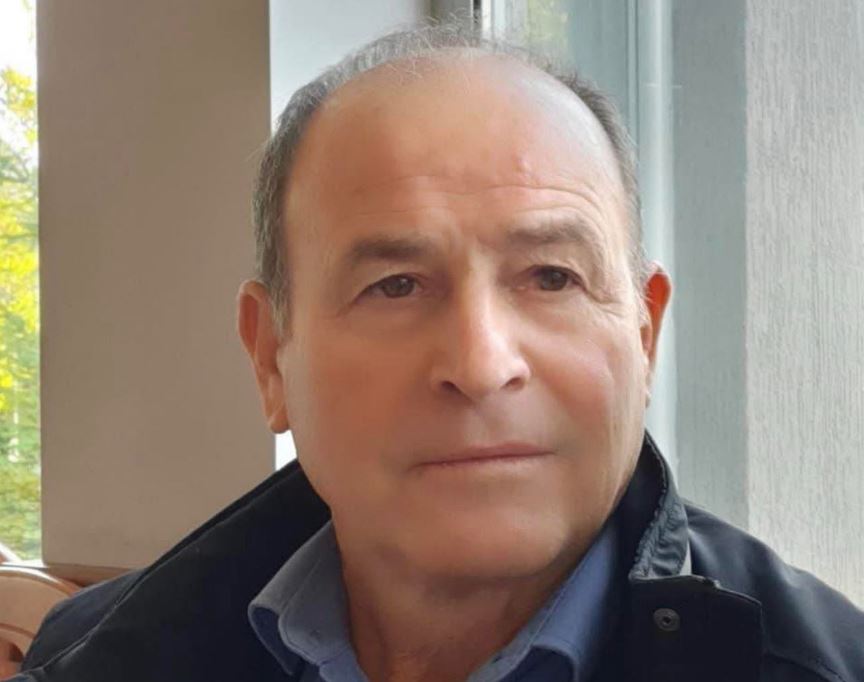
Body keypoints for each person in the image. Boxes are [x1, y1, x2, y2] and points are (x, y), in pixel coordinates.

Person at [13, 25, 864, 682]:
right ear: (271, 357)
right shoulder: (98, 658)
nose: (482, 363)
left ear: (644, 337)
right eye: (395, 286)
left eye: (553, 276)